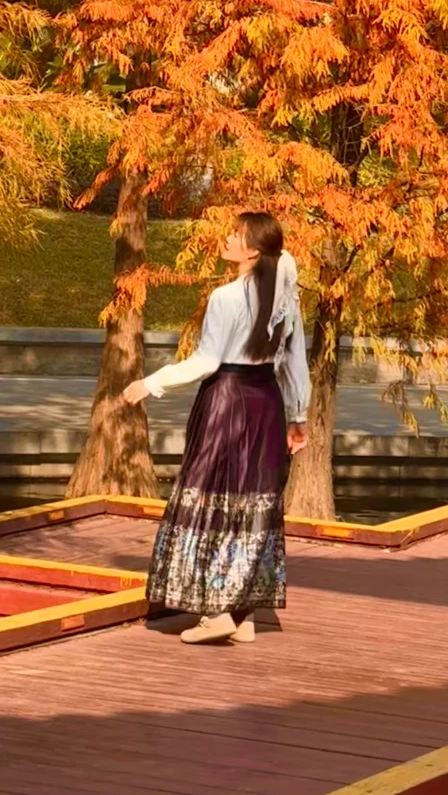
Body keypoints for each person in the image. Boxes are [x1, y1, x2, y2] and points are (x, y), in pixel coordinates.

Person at [123, 211, 310, 645]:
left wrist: (151, 382)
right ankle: (243, 615)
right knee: (251, 499)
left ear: (251, 250)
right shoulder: (285, 299)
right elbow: (294, 361)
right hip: (266, 402)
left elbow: (206, 362)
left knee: (215, 496)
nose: (226, 239)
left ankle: (218, 611)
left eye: (235, 234)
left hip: (227, 400)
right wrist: (298, 417)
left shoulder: (226, 297)